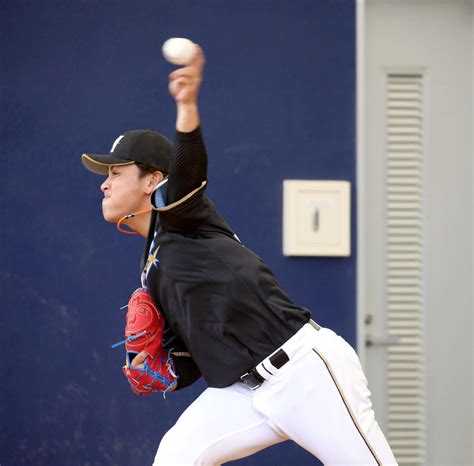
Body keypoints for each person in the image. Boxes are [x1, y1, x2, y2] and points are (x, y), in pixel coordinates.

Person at [82, 45, 397, 465]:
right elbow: (190, 357)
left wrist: (187, 107)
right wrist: (162, 368)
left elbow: (190, 167)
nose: (105, 183)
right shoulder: (153, 266)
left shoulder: (182, 217)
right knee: (177, 455)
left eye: (117, 172)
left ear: (153, 179)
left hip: (305, 374)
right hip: (245, 392)